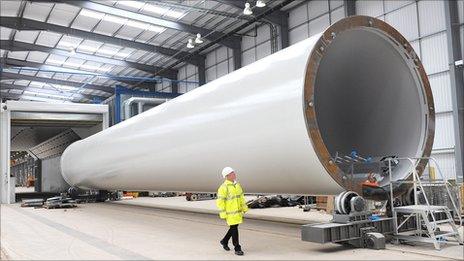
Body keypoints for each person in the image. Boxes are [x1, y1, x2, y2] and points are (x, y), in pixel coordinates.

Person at [216, 167, 248, 256]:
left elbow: (241, 198)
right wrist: (222, 213)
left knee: (233, 228)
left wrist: (244, 207)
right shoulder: (223, 187)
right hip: (230, 213)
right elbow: (220, 201)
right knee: (234, 229)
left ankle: (224, 241)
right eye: (232, 173)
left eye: (234, 172)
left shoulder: (237, 185)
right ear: (227, 176)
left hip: (237, 212)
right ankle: (237, 248)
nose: (234, 174)